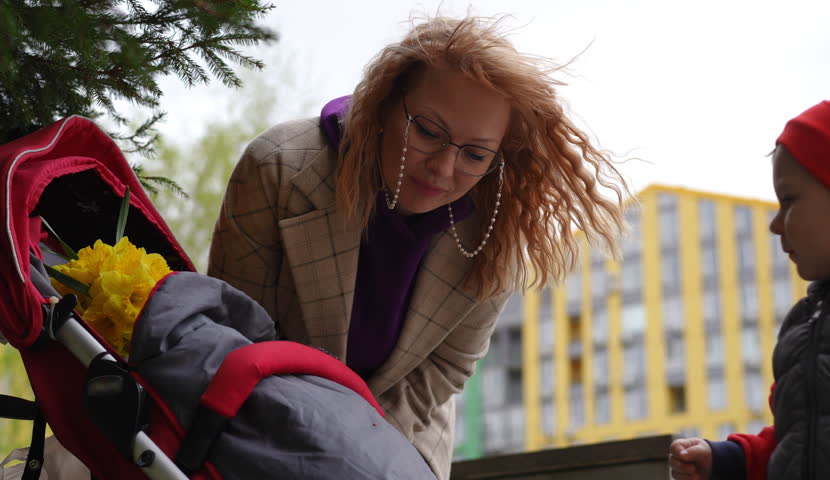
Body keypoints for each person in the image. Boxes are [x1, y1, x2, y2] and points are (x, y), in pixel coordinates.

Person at [208, 15, 627, 479]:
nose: (444, 169)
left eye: (474, 154)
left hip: (398, 442)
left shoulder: (497, 236)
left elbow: (443, 371)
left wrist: (351, 450)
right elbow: (237, 332)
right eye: (428, 132)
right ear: (386, 103)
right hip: (258, 428)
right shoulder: (279, 168)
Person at [669, 86, 830, 480]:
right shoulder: (806, 324)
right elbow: (798, 439)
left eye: (789, 201)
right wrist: (731, 460)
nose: (775, 224)